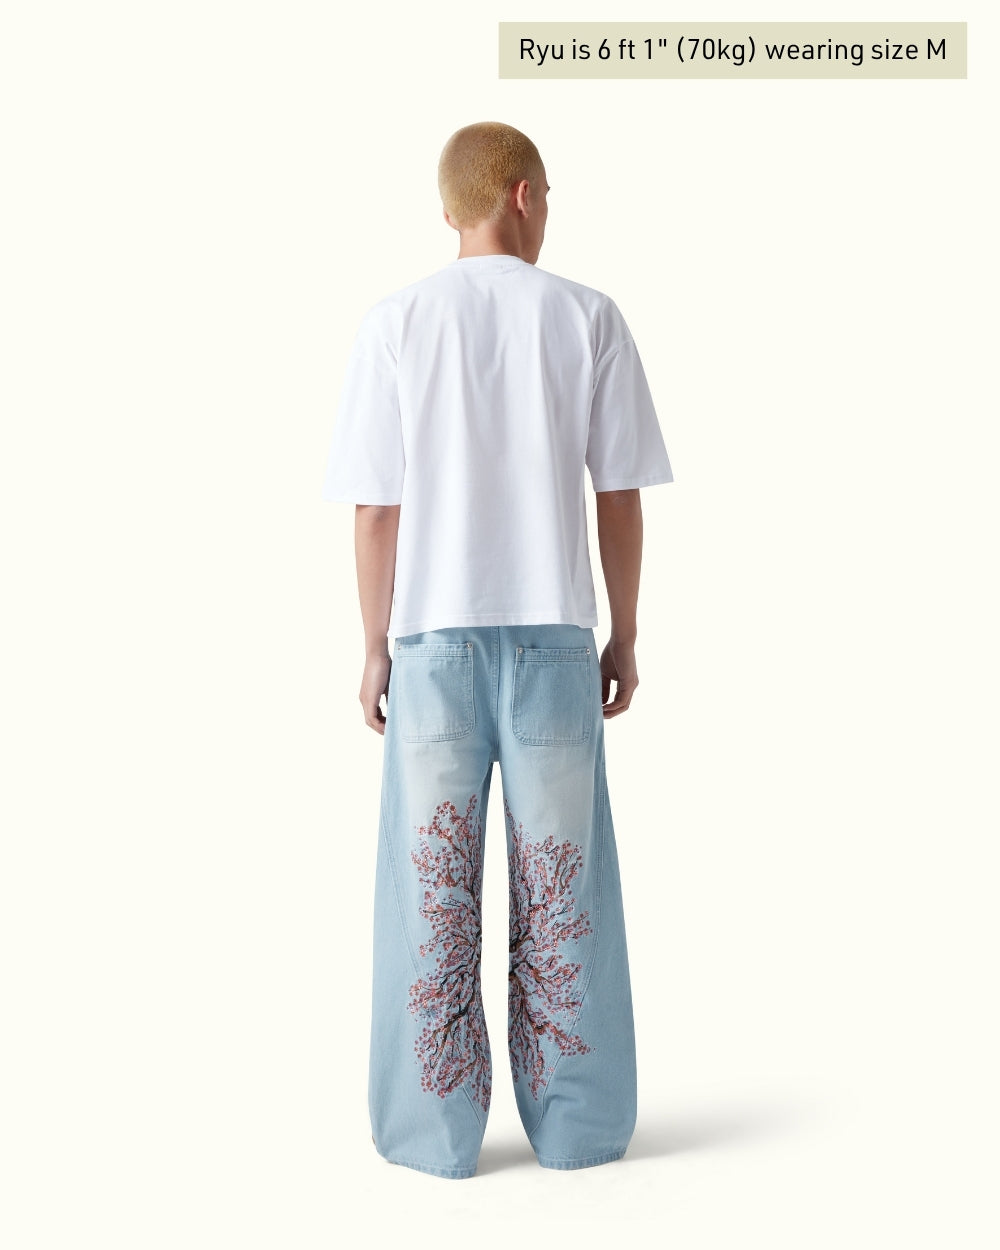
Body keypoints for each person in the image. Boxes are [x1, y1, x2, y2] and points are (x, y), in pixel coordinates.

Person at [321, 121, 674, 1178]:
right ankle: (580, 1130)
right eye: (548, 193)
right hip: (554, 640)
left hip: (431, 641)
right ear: (521, 194)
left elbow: (376, 510)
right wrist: (626, 631)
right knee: (565, 893)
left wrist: (373, 645)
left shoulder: (396, 322)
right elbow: (619, 494)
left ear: (451, 208)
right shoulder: (586, 316)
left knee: (428, 894)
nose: (549, 209)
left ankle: (429, 1136)